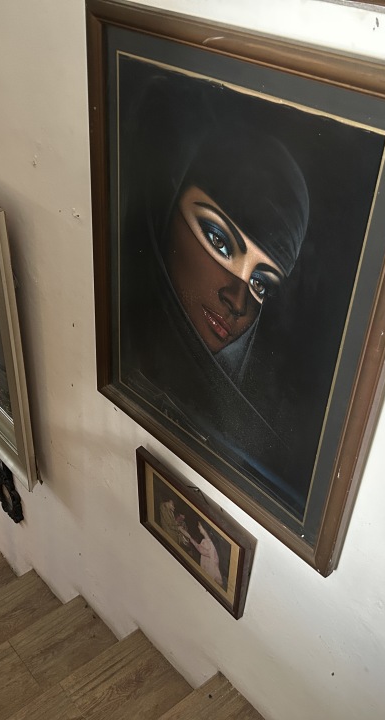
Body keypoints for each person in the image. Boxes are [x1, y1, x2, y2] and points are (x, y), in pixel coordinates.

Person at [117, 65, 311, 514]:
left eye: (261, 283)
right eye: (220, 241)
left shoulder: (258, 431)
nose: (238, 300)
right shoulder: (119, 339)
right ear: (166, 213)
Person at [181, 522, 224, 588]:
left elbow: (200, 549)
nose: (198, 527)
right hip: (209, 567)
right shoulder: (207, 541)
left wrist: (189, 536)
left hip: (212, 570)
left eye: (199, 526)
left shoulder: (208, 543)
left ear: (204, 529)